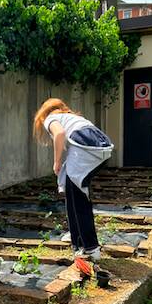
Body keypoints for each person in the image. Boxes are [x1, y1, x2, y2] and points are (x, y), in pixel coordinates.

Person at [33, 98, 113, 261]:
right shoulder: (72, 117)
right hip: (102, 150)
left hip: (86, 150)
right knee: (74, 193)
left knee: (78, 199)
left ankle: (90, 248)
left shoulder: (51, 118)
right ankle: (77, 240)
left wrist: (56, 162)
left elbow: (59, 134)